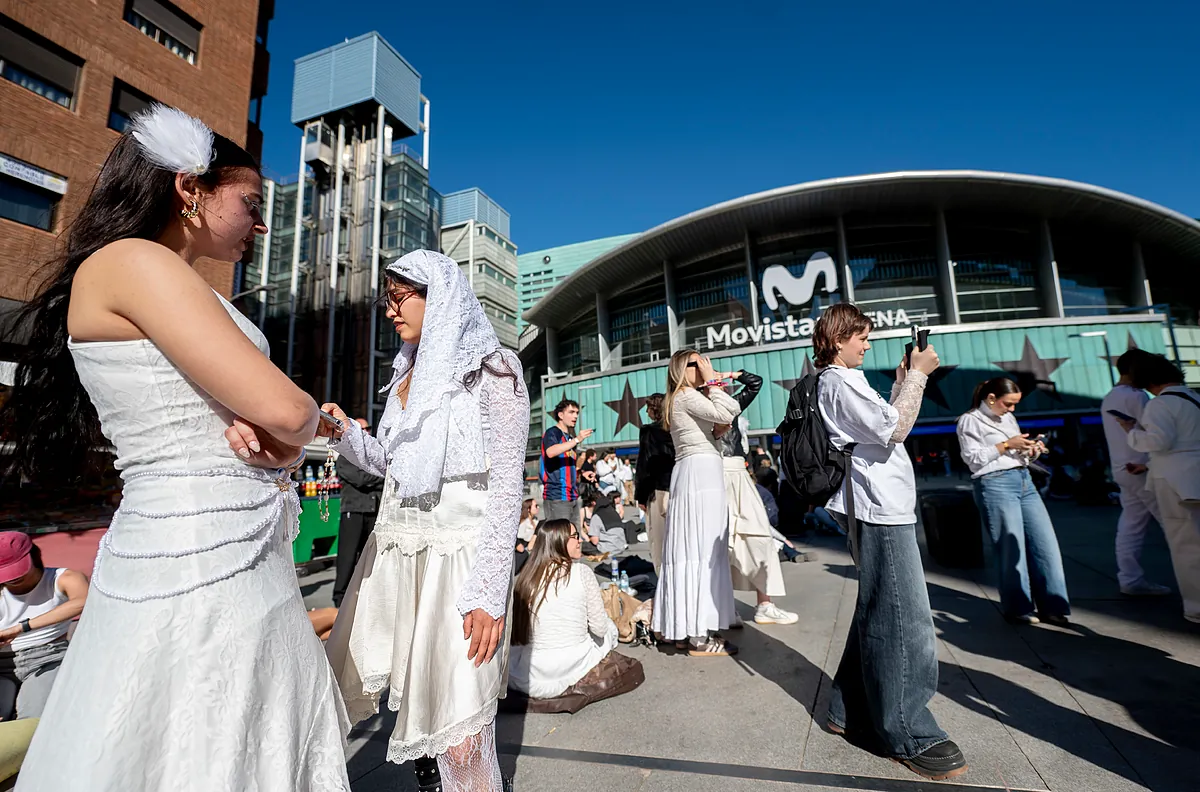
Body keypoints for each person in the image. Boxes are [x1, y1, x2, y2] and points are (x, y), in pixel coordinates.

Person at [0, 105, 351, 790]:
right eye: (249, 203)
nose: (261, 223)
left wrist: (282, 440)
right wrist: (300, 422)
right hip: (194, 554)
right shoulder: (133, 261)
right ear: (189, 189)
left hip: (227, 544)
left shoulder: (161, 274)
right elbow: (286, 408)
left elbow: (272, 425)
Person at [314, 249, 528, 792]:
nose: (390, 311)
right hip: (405, 552)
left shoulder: (495, 369)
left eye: (399, 297)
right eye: (386, 299)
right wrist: (343, 434)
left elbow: (507, 487)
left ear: (443, 298)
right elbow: (392, 463)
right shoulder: (407, 377)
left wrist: (488, 592)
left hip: (462, 561)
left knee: (460, 721)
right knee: (424, 711)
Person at [815, 302, 967, 780]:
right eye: (861, 336)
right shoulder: (835, 381)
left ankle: (845, 707)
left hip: (884, 506)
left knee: (881, 607)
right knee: (905, 617)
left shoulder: (848, 381)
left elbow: (888, 426)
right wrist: (918, 377)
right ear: (838, 338)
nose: (868, 343)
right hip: (877, 509)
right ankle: (908, 730)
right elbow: (894, 429)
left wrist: (905, 381)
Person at [958, 377, 1071, 626]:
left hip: (1023, 478)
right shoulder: (970, 420)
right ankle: (1018, 607)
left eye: (1014, 405)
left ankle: (1053, 605)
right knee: (1010, 549)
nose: (1012, 410)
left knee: (1045, 544)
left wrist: (1029, 449)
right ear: (991, 399)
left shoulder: (1008, 418)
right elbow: (972, 459)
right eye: (1008, 404)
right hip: (994, 482)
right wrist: (1008, 443)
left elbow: (1013, 452)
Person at [651, 349, 741, 657]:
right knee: (702, 550)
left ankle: (685, 628)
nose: (703, 365)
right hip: (700, 473)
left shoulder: (681, 398)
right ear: (681, 368)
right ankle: (698, 636)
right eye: (696, 362)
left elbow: (722, 421)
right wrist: (713, 381)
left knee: (692, 550)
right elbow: (729, 411)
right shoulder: (686, 396)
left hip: (694, 471)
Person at [1119, 355, 1200, 623]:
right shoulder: (1193, 398)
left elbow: (1158, 441)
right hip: (1194, 476)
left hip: (1175, 483)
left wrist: (1132, 430)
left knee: (1185, 545)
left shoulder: (1160, 404)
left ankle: (1196, 606)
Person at [715, 369, 798, 625]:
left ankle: (765, 604)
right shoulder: (697, 404)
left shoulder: (731, 405)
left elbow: (755, 382)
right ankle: (726, 609)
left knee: (759, 536)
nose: (720, 386)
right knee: (720, 544)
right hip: (715, 474)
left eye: (720, 384)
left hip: (738, 472)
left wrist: (728, 373)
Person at [508, 520, 619, 700]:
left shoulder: (525, 578)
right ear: (558, 542)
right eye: (575, 537)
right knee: (608, 627)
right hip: (573, 664)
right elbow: (599, 629)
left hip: (531, 672)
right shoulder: (581, 572)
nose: (580, 541)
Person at [1101, 350, 1172, 596]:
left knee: (1131, 525)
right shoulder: (1138, 396)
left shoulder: (1110, 396)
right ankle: (1191, 579)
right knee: (1173, 524)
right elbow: (1155, 431)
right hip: (1142, 468)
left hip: (1122, 468)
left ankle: (1130, 578)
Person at [0, 535, 88, 720]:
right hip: (2, 663)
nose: (13, 577)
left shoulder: (63, 578)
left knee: (33, 722)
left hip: (46, 657)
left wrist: (20, 628)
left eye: (15, 568)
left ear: (33, 554)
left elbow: (83, 601)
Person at [332, 418, 386, 609]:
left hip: (373, 510)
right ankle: (339, 598)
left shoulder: (373, 455)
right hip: (354, 510)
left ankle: (363, 595)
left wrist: (379, 476)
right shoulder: (345, 457)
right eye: (361, 429)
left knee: (369, 556)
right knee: (347, 555)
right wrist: (382, 476)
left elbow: (372, 476)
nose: (365, 432)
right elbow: (361, 479)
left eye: (367, 429)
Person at [635, 393, 674, 571]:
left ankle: (665, 586)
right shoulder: (678, 427)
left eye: (648, 407)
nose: (646, 411)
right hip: (680, 485)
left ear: (654, 409)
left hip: (658, 489)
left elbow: (645, 465)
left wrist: (641, 496)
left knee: (658, 540)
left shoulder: (649, 431)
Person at [541, 399, 593, 524]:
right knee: (560, 540)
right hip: (557, 496)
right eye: (571, 412)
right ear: (560, 415)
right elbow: (550, 452)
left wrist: (581, 473)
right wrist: (576, 440)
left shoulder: (569, 437)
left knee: (574, 538)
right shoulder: (552, 433)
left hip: (572, 495)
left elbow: (569, 467)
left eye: (577, 413)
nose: (575, 416)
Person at [588, 492, 628, 557]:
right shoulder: (614, 512)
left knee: (584, 545)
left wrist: (588, 537)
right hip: (620, 547)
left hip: (606, 549)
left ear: (593, 503)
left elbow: (595, 541)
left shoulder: (597, 516)